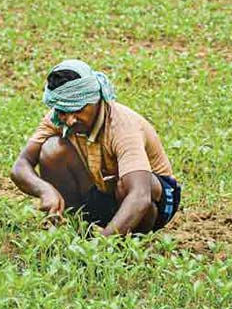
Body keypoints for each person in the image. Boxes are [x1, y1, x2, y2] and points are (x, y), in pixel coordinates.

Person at [10, 59, 181, 236]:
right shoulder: (56, 119)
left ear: (95, 99)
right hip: (105, 192)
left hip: (154, 201)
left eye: (78, 109)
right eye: (62, 111)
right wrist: (45, 190)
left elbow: (140, 196)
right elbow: (20, 166)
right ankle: (79, 231)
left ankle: (124, 243)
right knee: (52, 149)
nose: (70, 120)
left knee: (128, 183)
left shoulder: (122, 126)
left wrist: (100, 247)